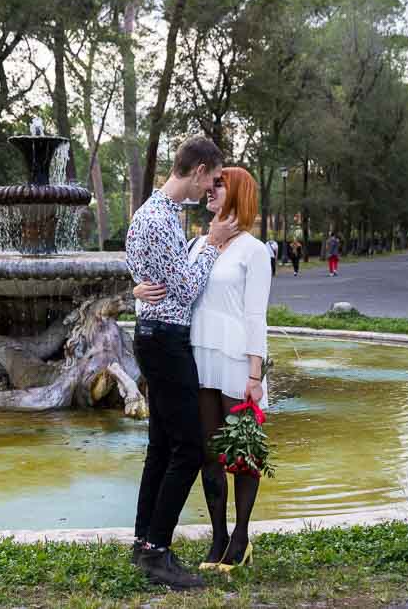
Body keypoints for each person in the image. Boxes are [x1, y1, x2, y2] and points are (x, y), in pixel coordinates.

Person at [133, 167, 270, 574]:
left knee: (241, 453)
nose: (211, 190)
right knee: (207, 454)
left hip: (235, 362)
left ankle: (241, 539)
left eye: (220, 185)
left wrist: (254, 373)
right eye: (211, 182)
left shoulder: (253, 251)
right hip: (197, 359)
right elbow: (176, 286)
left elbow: (256, 316)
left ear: (238, 195)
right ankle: (218, 538)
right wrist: (137, 288)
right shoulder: (198, 244)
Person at [124, 135, 237, 590]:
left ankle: (143, 542)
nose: (210, 189)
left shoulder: (157, 213)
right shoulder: (158, 219)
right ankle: (156, 552)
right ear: (198, 169)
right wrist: (211, 243)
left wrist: (136, 288)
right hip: (166, 342)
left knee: (160, 447)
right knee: (189, 448)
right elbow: (187, 289)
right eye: (210, 178)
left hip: (156, 336)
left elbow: (143, 268)